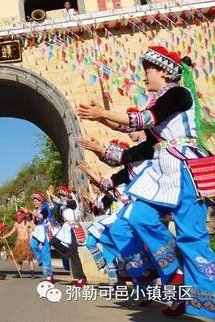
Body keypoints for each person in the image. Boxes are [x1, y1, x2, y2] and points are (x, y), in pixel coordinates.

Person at [78, 46, 215, 318]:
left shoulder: (178, 94)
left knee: (192, 240)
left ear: (164, 72)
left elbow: (143, 122)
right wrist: (102, 124)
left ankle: (207, 305)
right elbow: (138, 143)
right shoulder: (160, 104)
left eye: (147, 71)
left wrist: (103, 114)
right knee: (139, 217)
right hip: (165, 175)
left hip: (185, 170)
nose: (144, 77)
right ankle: (170, 271)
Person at [28, 191, 55, 282]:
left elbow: (41, 217)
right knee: (32, 245)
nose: (34, 202)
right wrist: (28, 214)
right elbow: (34, 222)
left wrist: (31, 212)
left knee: (45, 251)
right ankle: (41, 260)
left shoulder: (45, 208)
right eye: (33, 201)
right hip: (38, 231)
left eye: (35, 200)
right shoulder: (36, 210)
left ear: (40, 201)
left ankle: (49, 275)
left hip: (45, 230)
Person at [1, 210, 35, 278]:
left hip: (26, 241)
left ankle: (32, 273)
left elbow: (35, 228)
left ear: (22, 216)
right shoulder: (16, 224)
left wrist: (33, 238)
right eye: (17, 216)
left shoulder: (27, 222)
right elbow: (12, 231)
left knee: (30, 258)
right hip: (19, 242)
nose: (18, 217)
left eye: (19, 216)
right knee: (19, 258)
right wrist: (4, 237)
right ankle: (20, 272)